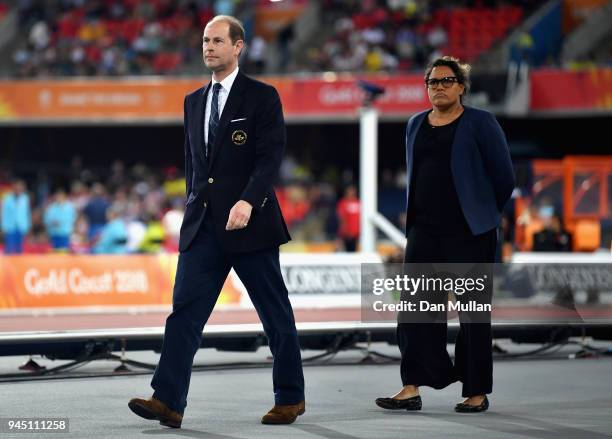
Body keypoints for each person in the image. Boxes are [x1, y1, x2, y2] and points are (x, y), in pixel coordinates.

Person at [129, 15, 305, 429]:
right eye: (206, 41)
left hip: (251, 224)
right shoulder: (192, 100)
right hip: (204, 227)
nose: (209, 47)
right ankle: (168, 400)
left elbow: (269, 158)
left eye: (218, 41)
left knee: (274, 312)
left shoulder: (262, 97)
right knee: (184, 314)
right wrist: (193, 205)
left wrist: (248, 201)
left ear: (238, 46)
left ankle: (290, 397)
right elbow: (195, 164)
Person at [375, 56, 515, 413]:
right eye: (433, 82)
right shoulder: (415, 124)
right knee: (415, 312)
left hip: (470, 232)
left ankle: (476, 391)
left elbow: (504, 177)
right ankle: (412, 386)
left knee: (472, 314)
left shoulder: (481, 123)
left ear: (462, 86)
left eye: (447, 80)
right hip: (424, 231)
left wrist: (482, 214)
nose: (439, 87)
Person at [1, 179, 31, 254]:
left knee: (19, 249)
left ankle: (19, 265)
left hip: (21, 226)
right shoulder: (7, 198)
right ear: (14, 187)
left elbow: (27, 213)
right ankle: (8, 266)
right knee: (9, 249)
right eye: (17, 187)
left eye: (20, 187)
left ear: (23, 188)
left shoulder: (25, 198)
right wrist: (3, 227)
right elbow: (3, 213)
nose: (18, 189)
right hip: (10, 227)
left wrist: (28, 226)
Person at [336, 185, 360, 251]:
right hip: (346, 235)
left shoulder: (359, 203)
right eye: (349, 191)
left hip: (358, 234)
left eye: (352, 191)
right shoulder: (343, 203)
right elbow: (342, 218)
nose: (351, 193)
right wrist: (345, 232)